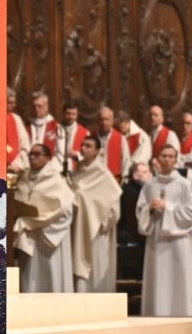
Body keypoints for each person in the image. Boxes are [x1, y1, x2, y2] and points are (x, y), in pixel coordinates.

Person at [137, 144, 192, 316]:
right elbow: (140, 209)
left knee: (178, 281)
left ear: (175, 159)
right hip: (156, 240)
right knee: (158, 280)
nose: (166, 159)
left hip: (178, 242)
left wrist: (167, 207)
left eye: (170, 156)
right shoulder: (149, 185)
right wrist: (148, 209)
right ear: (157, 159)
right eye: (163, 156)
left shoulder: (185, 185)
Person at [12, 144, 75, 292]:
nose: (32, 157)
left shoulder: (56, 179)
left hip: (47, 236)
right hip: (28, 234)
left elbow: (66, 209)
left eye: (37, 154)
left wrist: (38, 222)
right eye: (30, 155)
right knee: (28, 277)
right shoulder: (24, 177)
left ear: (48, 158)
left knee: (49, 275)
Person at [71, 135, 122, 293]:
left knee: (96, 267)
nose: (83, 148)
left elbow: (114, 207)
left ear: (97, 151)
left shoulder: (103, 174)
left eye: (88, 146)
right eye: (82, 145)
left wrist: (103, 220)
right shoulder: (77, 171)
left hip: (97, 231)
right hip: (77, 228)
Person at [97, 106, 131, 181]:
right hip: (95, 178)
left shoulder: (120, 138)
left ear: (112, 121)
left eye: (106, 119)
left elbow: (126, 160)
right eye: (101, 119)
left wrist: (124, 178)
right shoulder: (91, 136)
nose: (103, 122)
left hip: (113, 179)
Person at [55, 101, 88, 170]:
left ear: (77, 115)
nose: (70, 117)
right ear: (63, 113)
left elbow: (88, 156)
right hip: (56, 168)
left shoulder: (84, 132)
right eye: (68, 114)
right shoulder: (55, 129)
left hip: (75, 170)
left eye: (73, 114)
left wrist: (76, 155)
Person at [5, 88, 31, 176]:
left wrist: (18, 164)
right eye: (10, 102)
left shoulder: (16, 119)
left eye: (14, 102)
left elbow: (25, 145)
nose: (14, 105)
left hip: (16, 166)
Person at [29, 92, 58, 160]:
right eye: (34, 106)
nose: (36, 109)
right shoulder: (25, 125)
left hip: (49, 165)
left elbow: (60, 151)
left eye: (39, 106)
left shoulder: (56, 127)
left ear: (46, 107)